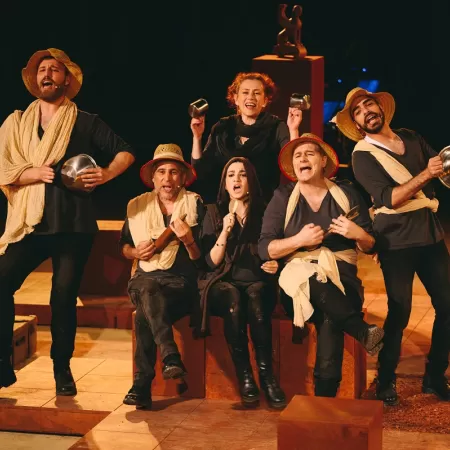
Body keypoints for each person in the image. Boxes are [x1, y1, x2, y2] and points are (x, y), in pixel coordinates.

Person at [0, 48, 135, 396]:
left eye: (54, 70)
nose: (47, 74)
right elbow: (4, 168)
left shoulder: (85, 121)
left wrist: (105, 174)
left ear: (66, 80)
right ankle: (2, 363)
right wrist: (31, 173)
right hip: (30, 225)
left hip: (73, 226)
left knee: (62, 298)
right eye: (42, 70)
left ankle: (62, 369)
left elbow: (125, 152)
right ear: (35, 80)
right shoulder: (17, 123)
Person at [335, 87, 450, 404]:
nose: (366, 112)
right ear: (357, 124)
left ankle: (435, 377)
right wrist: (426, 173)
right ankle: (385, 380)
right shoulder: (362, 155)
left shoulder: (410, 137)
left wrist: (440, 169)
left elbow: (441, 168)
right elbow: (390, 199)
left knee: (448, 306)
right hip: (395, 241)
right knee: (400, 313)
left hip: (430, 235)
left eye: (368, 104)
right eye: (358, 112)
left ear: (380, 108)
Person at [258, 133, 385, 398]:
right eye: (297, 155)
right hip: (298, 288)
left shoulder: (346, 194)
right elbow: (265, 248)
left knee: (330, 314)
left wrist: (357, 234)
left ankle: (324, 398)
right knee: (312, 284)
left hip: (342, 280)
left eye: (309, 153)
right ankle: (361, 330)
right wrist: (299, 240)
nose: (302, 159)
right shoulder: (283, 197)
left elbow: (371, 245)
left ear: (323, 161)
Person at [196, 156, 286, 409]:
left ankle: (267, 377)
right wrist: (225, 231)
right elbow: (211, 262)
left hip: (257, 281)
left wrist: (276, 264)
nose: (236, 179)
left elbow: (278, 248)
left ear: (251, 181)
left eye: (242, 174)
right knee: (233, 299)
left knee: (256, 298)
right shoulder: (213, 212)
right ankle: (245, 376)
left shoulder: (266, 211)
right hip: (223, 282)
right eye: (231, 175)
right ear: (224, 183)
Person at [120, 143, 205, 410]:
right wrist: (135, 251)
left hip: (178, 285)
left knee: (144, 312)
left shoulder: (194, 205)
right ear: (153, 178)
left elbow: (201, 259)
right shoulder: (137, 206)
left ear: (183, 178)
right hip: (144, 278)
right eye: (161, 172)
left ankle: (142, 385)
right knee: (147, 288)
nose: (167, 178)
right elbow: (124, 247)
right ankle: (170, 358)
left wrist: (188, 240)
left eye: (174, 172)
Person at [190, 71, 302, 203]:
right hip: (225, 205)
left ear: (265, 100)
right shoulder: (222, 127)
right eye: (245, 92)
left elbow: (293, 167)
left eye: (256, 93)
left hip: (264, 206)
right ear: (236, 98)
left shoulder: (276, 127)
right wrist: (197, 137)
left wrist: (293, 129)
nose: (251, 97)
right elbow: (200, 171)